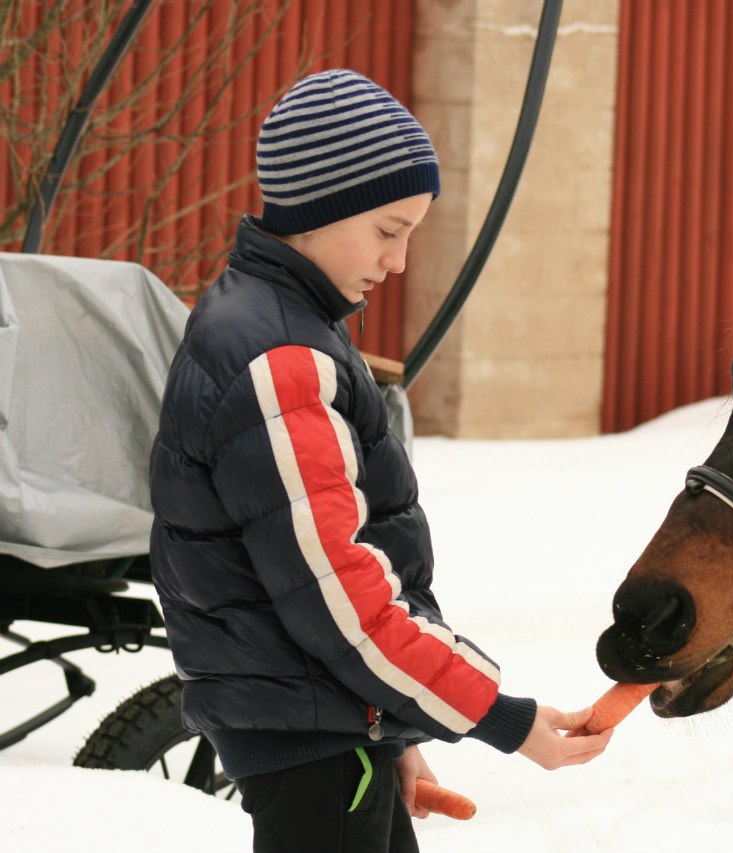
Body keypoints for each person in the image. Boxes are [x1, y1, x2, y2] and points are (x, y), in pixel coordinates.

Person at [149, 69, 611, 853]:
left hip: (333, 728)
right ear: (319, 207)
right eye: (388, 229)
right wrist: (503, 717)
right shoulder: (281, 358)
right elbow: (341, 597)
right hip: (314, 735)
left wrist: (392, 728)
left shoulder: (281, 324)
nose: (398, 263)